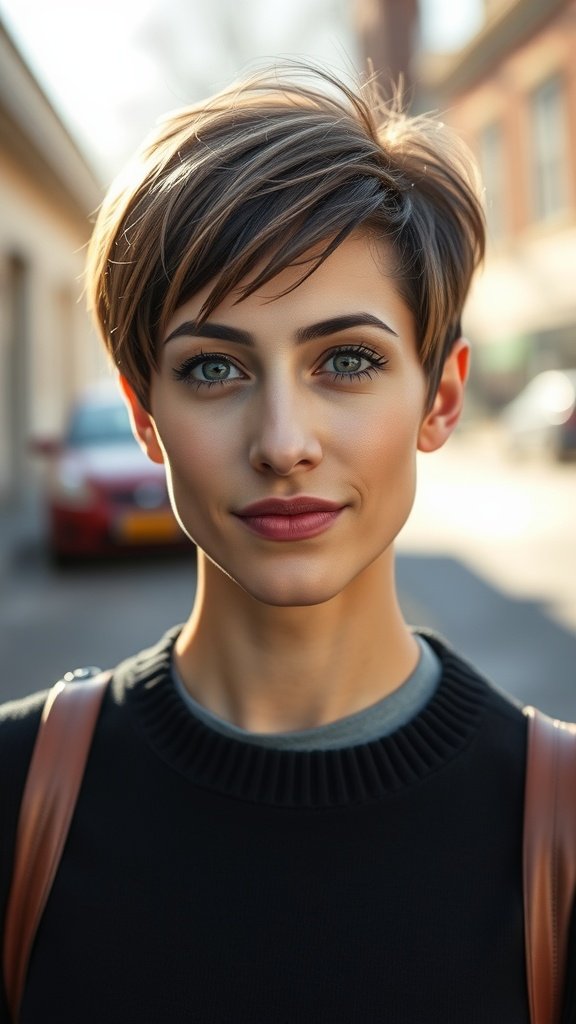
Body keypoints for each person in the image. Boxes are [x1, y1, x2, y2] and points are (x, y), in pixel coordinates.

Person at [0, 61, 573, 1023]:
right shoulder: (17, 806)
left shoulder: (555, 829)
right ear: (146, 418)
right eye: (215, 367)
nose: (281, 443)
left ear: (441, 397)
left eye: (346, 361)